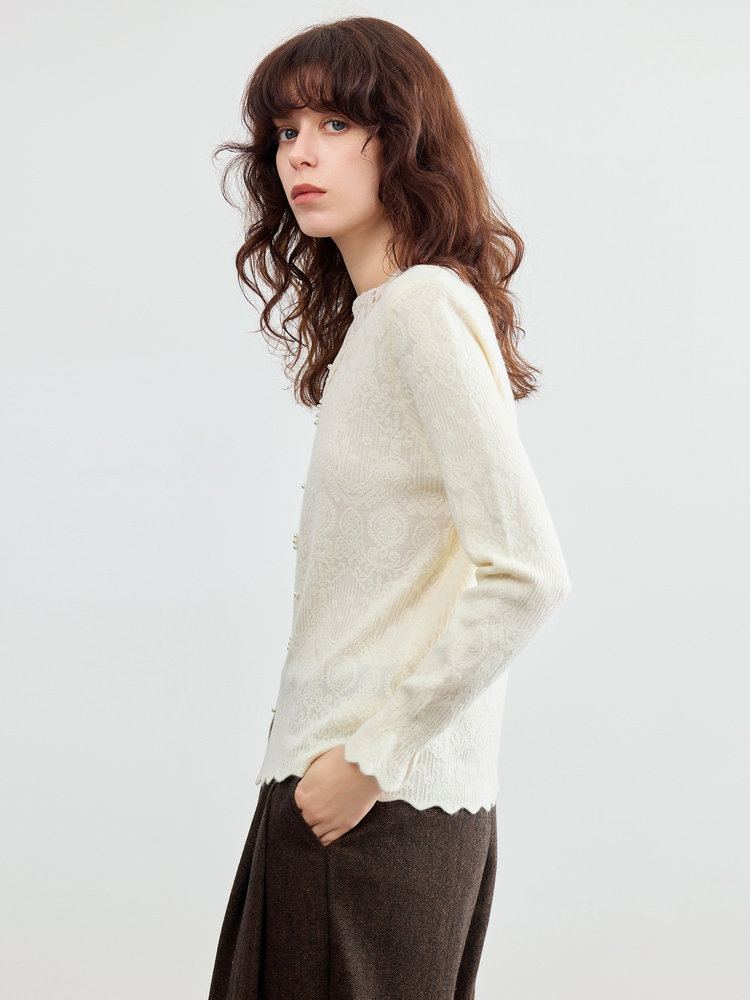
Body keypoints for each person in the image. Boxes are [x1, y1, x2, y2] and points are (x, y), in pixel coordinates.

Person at [207, 15, 572, 1000]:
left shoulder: (422, 309)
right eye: (286, 131)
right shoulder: (382, 321)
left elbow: (528, 572)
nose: (301, 154)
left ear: (405, 142)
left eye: (335, 124)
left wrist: (370, 757)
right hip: (343, 789)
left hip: (373, 804)